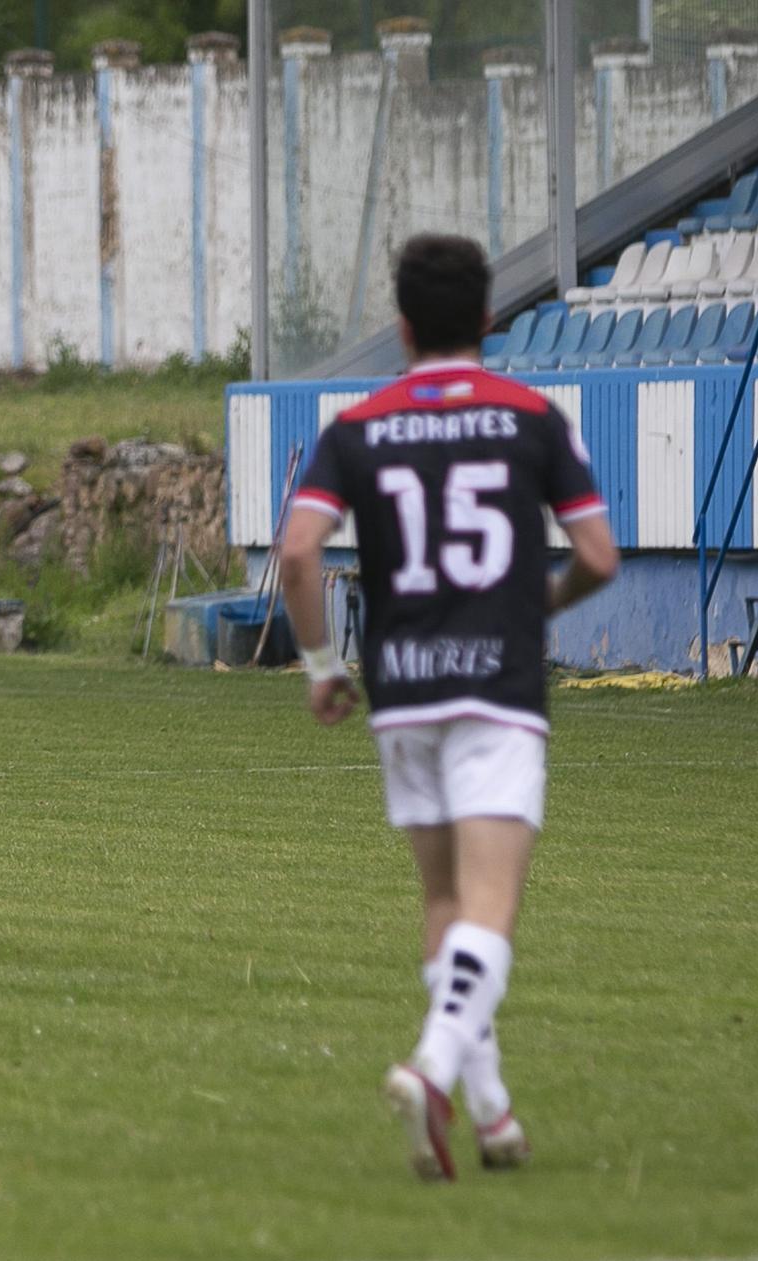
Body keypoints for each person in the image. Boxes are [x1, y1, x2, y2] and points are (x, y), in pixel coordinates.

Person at [279, 234, 618, 1182]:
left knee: (442, 901)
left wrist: (318, 665)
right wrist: (534, 608)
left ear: (401, 326)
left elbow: (299, 552)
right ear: (485, 319)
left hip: (401, 689)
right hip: (497, 687)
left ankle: (495, 1114)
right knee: (492, 906)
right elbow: (597, 556)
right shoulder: (532, 415)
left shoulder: (360, 425)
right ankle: (432, 1070)